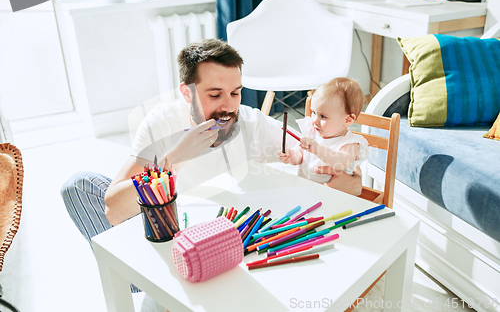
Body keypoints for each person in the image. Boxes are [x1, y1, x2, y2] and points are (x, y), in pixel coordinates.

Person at [61, 39, 362, 248]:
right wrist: (177, 157)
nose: (229, 107)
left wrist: (344, 183)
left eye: (236, 92)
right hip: (165, 227)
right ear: (187, 92)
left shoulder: (250, 121)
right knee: (78, 185)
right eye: (215, 95)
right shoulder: (161, 122)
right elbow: (113, 209)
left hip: (216, 236)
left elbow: (345, 174)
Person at [279, 77, 368, 185]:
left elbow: (341, 163)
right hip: (305, 189)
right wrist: (292, 156)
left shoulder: (349, 143)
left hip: (333, 195)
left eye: (323, 116)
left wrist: (318, 149)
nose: (315, 120)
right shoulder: (311, 133)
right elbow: (300, 155)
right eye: (314, 113)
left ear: (348, 120)